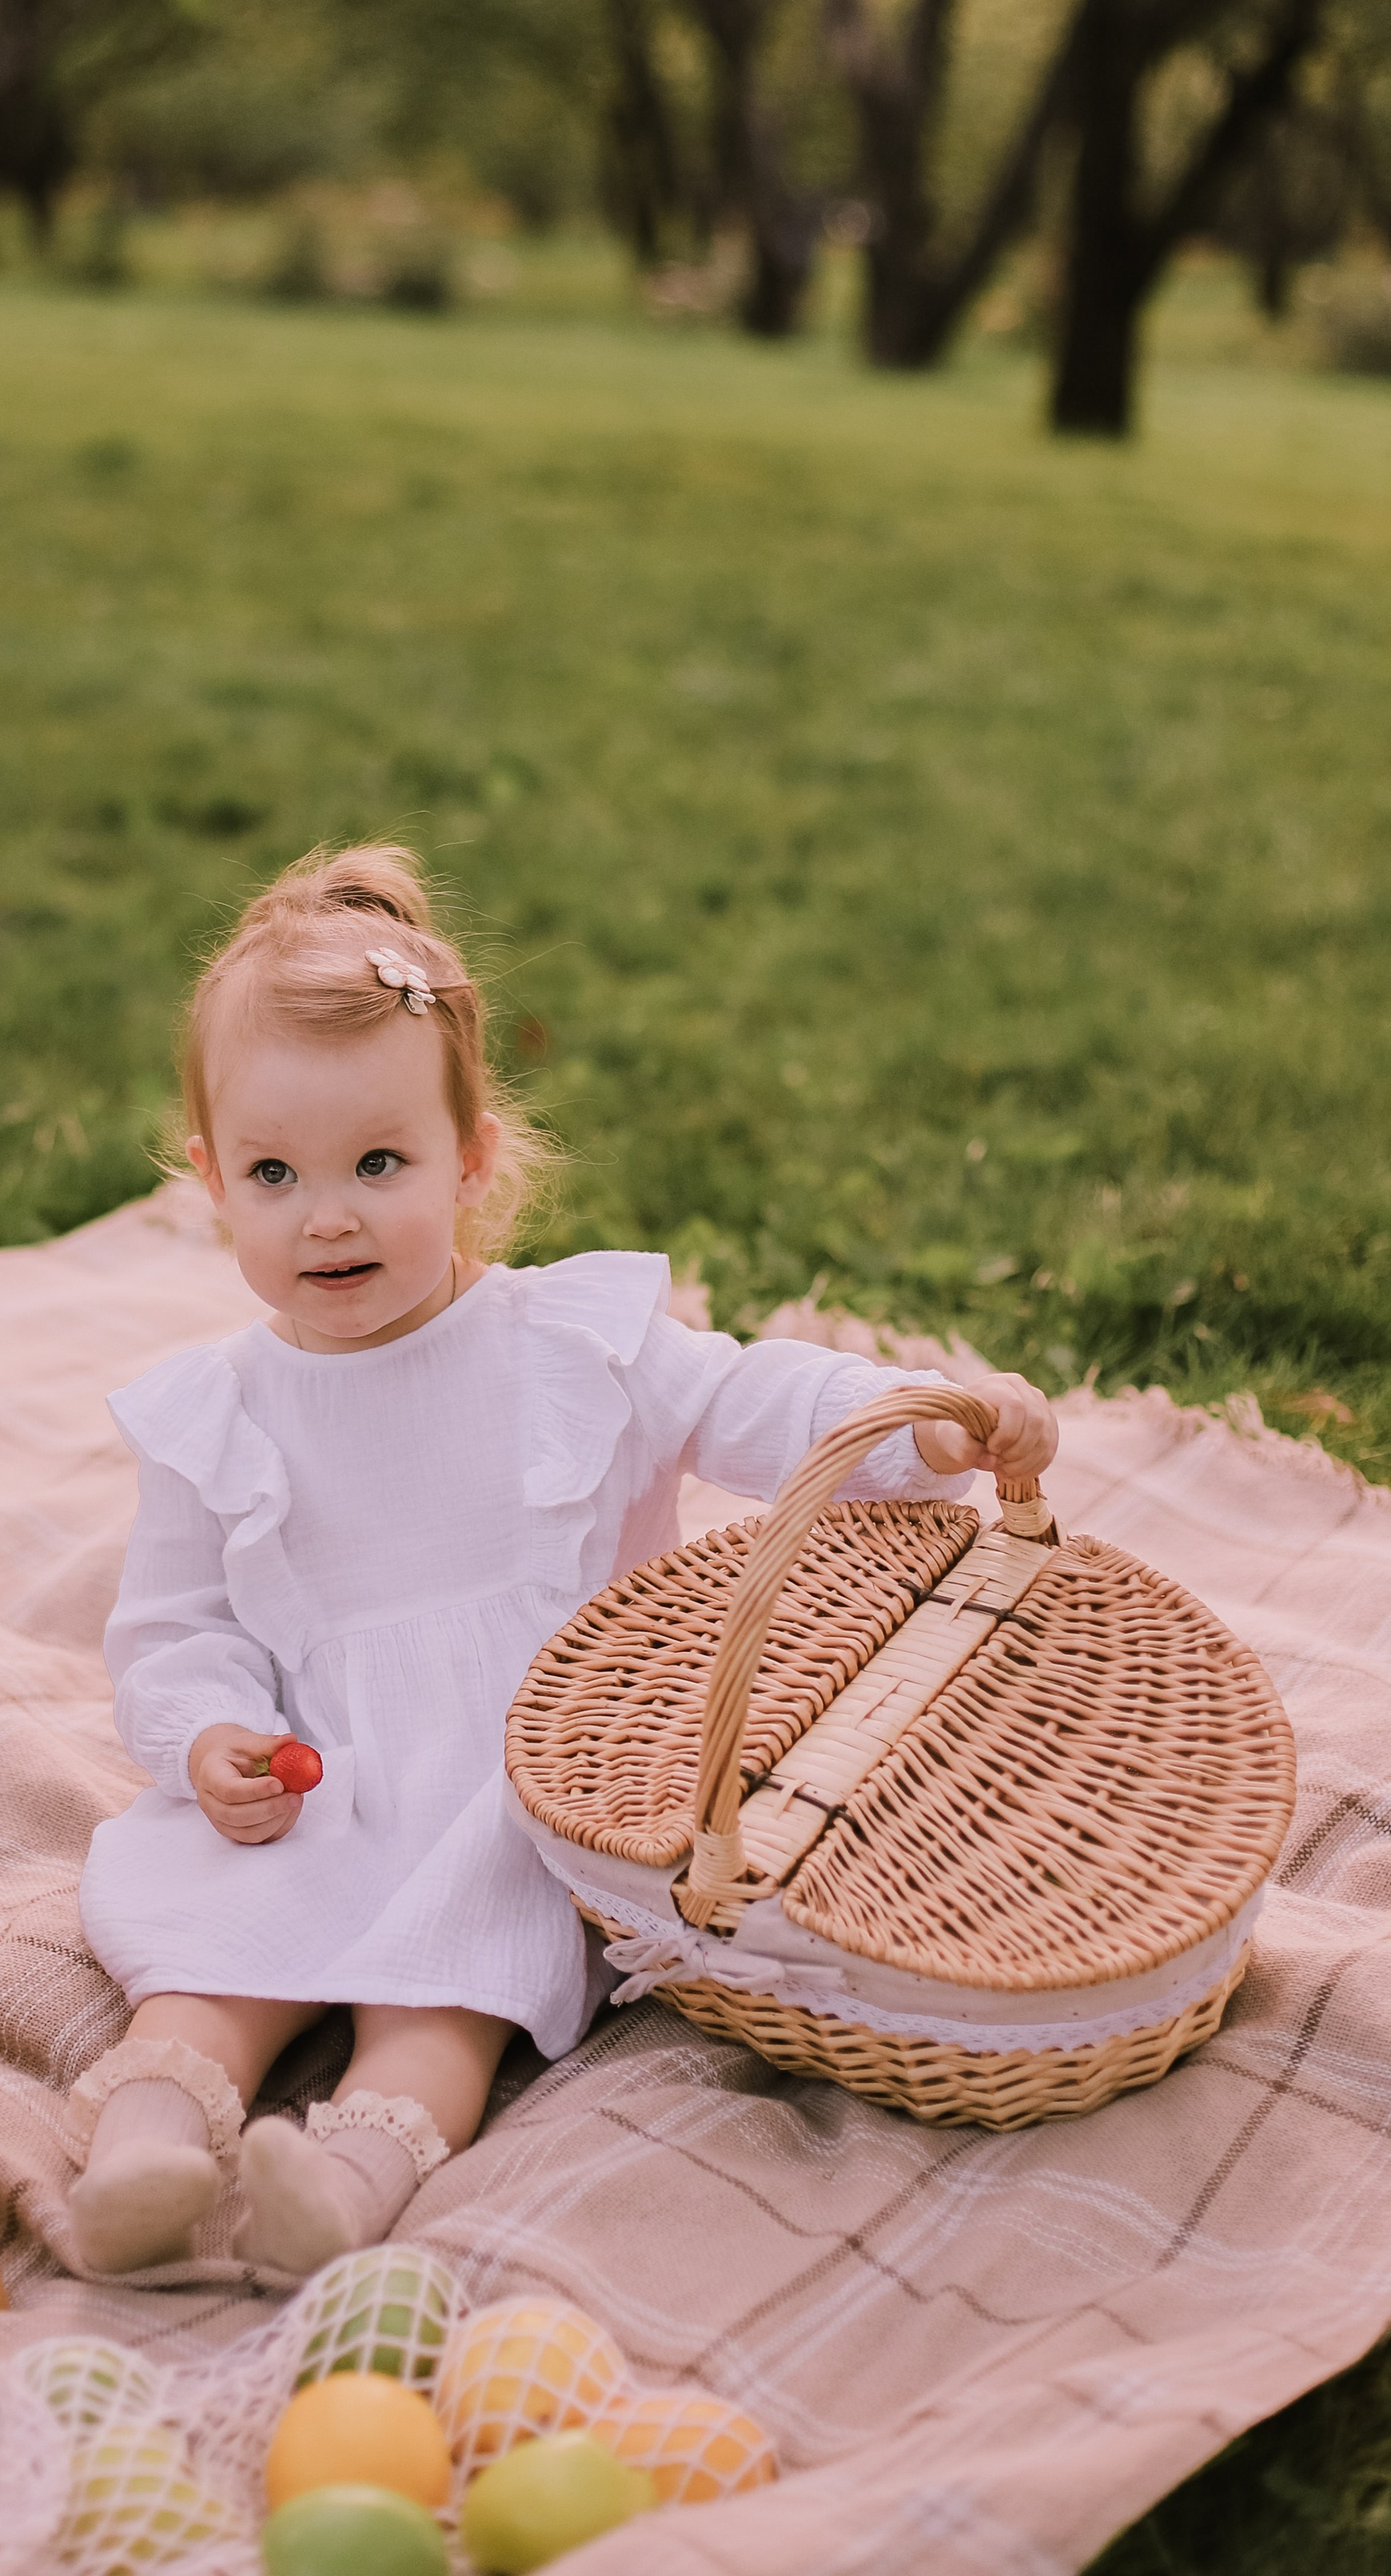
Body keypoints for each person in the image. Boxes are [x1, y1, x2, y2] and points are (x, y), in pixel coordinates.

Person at [69, 847, 1056, 2277]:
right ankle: (148, 2153)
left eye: (379, 1164)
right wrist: (213, 1730)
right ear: (213, 1180)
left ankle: (337, 2190)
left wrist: (928, 1430)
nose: (326, 1214)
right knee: (205, 1970)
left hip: (520, 1780)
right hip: (313, 1776)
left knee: (444, 1999)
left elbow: (750, 1402)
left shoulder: (569, 1348)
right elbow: (175, 1621)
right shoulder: (214, 1410)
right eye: (274, 1173)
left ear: (470, 1156)